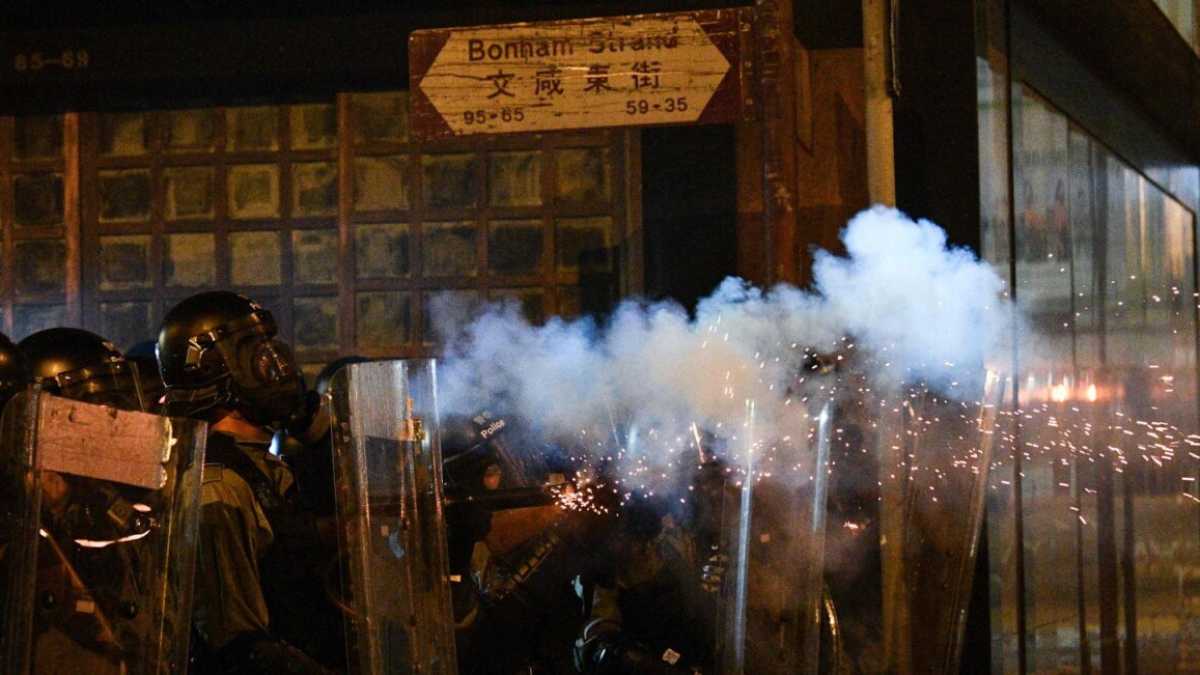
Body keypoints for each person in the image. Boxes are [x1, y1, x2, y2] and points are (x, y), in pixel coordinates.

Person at [156, 291, 338, 675]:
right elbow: (239, 645)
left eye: (272, 350)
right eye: (256, 356)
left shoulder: (260, 465)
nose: (279, 368)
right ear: (209, 370)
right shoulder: (218, 487)